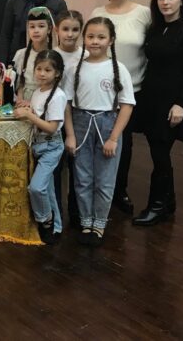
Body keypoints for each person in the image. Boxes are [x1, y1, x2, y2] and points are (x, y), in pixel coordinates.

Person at [64, 17, 135, 246]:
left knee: (104, 179)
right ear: (84, 38)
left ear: (111, 40)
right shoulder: (74, 68)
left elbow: (126, 105)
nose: (95, 41)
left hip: (107, 124)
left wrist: (113, 138)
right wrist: (71, 134)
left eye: (101, 37)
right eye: (91, 36)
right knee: (82, 178)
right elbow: (66, 104)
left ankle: (99, 224)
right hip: (81, 123)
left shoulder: (119, 69)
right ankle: (86, 222)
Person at [91, 0, 151, 214]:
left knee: (123, 142)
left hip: (133, 89)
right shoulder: (97, 13)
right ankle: (98, 186)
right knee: (99, 138)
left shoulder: (144, 13)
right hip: (102, 88)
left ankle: (119, 190)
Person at [133, 0, 183, 226]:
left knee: (160, 152)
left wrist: (181, 103)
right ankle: (169, 200)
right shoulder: (156, 28)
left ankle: (157, 206)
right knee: (158, 150)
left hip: (173, 101)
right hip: (152, 98)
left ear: (182, 0)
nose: (165, 2)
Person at [14, 50, 67, 244]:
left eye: (48, 70)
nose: (42, 73)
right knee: (47, 188)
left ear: (57, 73)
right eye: (39, 69)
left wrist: (29, 115)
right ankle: (56, 227)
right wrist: (28, 108)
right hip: (39, 145)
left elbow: (52, 127)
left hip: (51, 146)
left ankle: (46, 220)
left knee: (36, 188)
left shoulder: (58, 96)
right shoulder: (38, 92)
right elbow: (39, 114)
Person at [53, 10, 88, 226]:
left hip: (80, 115)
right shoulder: (51, 55)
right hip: (55, 117)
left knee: (79, 167)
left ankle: (77, 213)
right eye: (65, 29)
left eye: (75, 30)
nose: (70, 34)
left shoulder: (86, 55)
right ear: (56, 30)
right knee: (57, 167)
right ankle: (55, 213)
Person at [13, 6, 54, 103]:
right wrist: (20, 101)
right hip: (24, 102)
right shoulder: (21, 54)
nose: (36, 30)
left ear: (49, 29)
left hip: (45, 101)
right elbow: (20, 84)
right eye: (32, 27)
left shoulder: (54, 55)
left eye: (41, 26)